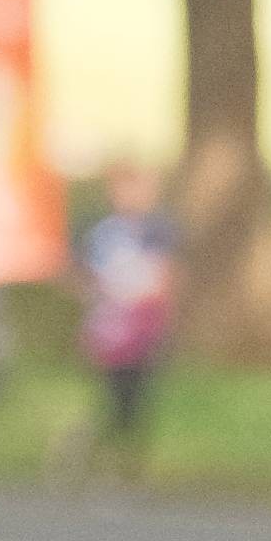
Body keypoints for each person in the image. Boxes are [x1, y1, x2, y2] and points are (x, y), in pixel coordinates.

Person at [72, 161, 181, 469]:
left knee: (140, 393)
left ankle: (128, 454)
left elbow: (167, 276)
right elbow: (85, 275)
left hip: (145, 323)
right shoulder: (103, 233)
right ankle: (101, 448)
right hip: (113, 324)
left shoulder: (159, 232)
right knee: (113, 392)